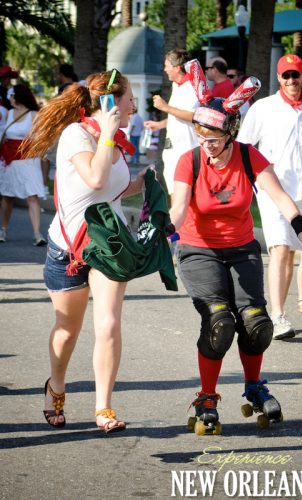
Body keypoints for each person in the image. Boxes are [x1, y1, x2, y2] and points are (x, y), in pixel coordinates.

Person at [169, 97, 302, 434]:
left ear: (230, 133)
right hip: (198, 249)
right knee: (219, 321)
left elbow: (279, 195)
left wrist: (300, 224)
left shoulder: (249, 156)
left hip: (242, 248)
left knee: (256, 323)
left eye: (214, 138)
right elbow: (178, 206)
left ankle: (254, 386)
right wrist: (167, 227)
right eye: (201, 136)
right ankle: (206, 397)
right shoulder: (189, 161)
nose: (207, 144)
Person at [22, 70, 149, 432]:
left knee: (108, 323)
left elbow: (105, 190)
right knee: (67, 330)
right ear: (109, 102)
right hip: (68, 249)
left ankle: (103, 408)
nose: (134, 106)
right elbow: (93, 177)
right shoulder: (76, 135)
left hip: (106, 246)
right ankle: (56, 386)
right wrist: (107, 136)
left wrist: (138, 184)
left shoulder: (115, 141)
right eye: (128, 100)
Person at [237, 54, 302, 338]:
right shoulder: (263, 108)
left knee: (295, 250)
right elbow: (244, 145)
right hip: (272, 190)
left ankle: (279, 312)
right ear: (278, 78)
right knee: (279, 249)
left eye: (296, 75)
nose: (292, 80)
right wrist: (251, 177)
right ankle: (277, 316)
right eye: (286, 75)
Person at [144, 48, 200, 199]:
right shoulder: (177, 85)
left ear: (176, 68)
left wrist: (165, 107)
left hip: (186, 149)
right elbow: (178, 115)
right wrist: (161, 124)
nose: (164, 69)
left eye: (166, 65)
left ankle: (181, 222)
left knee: (183, 197)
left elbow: (195, 116)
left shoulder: (192, 87)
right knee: (175, 194)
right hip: (172, 150)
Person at [0, 84, 47, 245]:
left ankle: (37, 234)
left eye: (12, 96)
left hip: (28, 160)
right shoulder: (10, 113)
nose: (10, 99)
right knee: (7, 197)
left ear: (18, 96)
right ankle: (3, 230)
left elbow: (40, 138)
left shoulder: (34, 114)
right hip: (10, 160)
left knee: (32, 196)